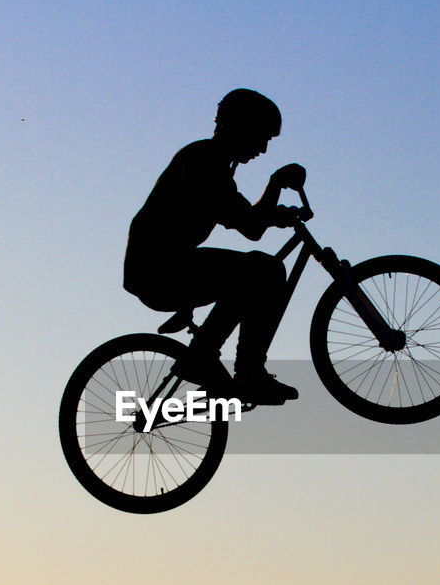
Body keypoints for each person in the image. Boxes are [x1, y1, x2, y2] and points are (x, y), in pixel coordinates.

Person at [123, 88, 305, 404]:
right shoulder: (203, 160)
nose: (262, 148)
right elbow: (250, 226)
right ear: (238, 127)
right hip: (158, 269)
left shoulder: (214, 163)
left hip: (164, 265)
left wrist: (275, 213)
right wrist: (275, 185)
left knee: (252, 276)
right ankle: (245, 371)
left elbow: (247, 218)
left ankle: (208, 358)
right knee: (267, 270)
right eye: (261, 137)